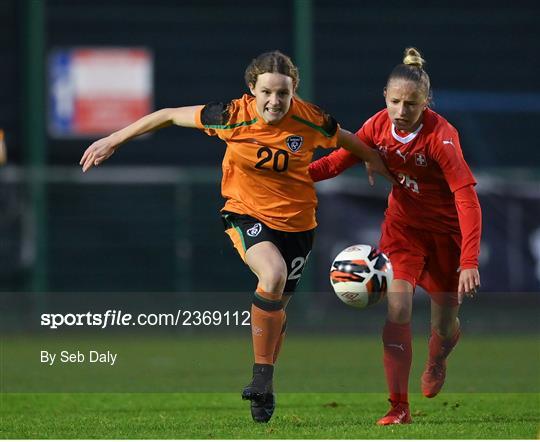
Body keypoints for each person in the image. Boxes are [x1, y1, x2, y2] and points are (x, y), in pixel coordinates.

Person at [80, 50, 393, 423]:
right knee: (272, 275)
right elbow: (166, 115)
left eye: (283, 93)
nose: (274, 101)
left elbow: (344, 138)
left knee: (276, 311)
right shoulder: (230, 116)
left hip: (298, 225)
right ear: (251, 90)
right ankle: (261, 378)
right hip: (245, 213)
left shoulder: (312, 119)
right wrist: (114, 139)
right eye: (266, 92)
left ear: (294, 92)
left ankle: (266, 382)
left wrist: (372, 158)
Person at [309, 47, 482, 425]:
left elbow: (467, 198)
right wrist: (293, 176)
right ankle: (398, 407)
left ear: (426, 102)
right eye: (396, 102)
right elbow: (336, 162)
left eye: (412, 104)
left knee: (444, 326)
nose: (402, 111)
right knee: (398, 307)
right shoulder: (375, 127)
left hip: (446, 238)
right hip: (403, 230)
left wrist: (468, 260)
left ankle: (438, 356)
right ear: (384, 97)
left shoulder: (442, 137)